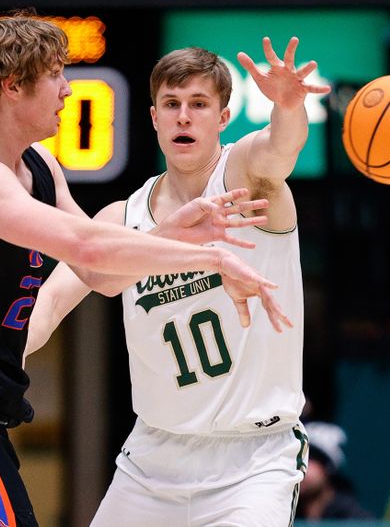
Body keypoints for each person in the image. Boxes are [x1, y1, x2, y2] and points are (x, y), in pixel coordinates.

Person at [0, 12, 292, 527]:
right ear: (13, 86)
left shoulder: (39, 167)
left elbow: (102, 275)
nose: (66, 91)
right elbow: (88, 245)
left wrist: (169, 236)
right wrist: (208, 255)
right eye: (55, 74)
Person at [27, 38, 330, 525]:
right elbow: (52, 300)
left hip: (250, 459)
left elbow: (280, 147)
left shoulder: (247, 178)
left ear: (223, 118)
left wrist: (288, 107)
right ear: (153, 118)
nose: (183, 117)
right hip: (153, 459)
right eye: (172, 104)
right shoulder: (120, 217)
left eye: (198, 105)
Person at [295, 421, 372, 520]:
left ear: (329, 467)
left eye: (309, 458)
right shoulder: (284, 513)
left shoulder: (355, 519)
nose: (299, 466)